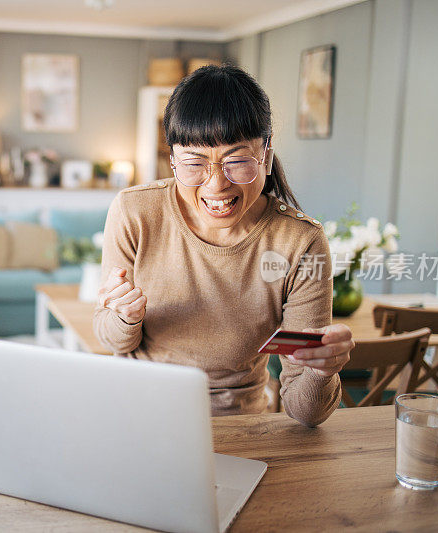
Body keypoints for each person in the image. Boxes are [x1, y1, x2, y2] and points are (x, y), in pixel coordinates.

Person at [93, 65, 354, 427]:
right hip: (137, 415)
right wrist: (125, 318)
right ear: (172, 160)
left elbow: (305, 411)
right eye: (194, 163)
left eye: (237, 160)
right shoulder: (135, 211)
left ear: (266, 151)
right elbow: (111, 337)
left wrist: (323, 371)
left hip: (236, 428)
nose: (216, 185)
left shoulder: (300, 242)